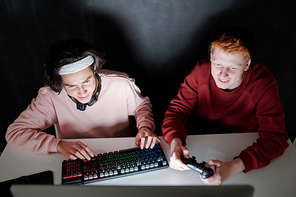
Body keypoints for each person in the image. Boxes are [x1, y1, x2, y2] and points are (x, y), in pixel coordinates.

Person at [162, 26, 289, 185]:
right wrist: (175, 143)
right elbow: (176, 111)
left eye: (232, 67)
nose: (222, 75)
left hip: (244, 143)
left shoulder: (263, 82)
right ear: (211, 58)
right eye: (218, 64)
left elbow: (276, 138)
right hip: (200, 139)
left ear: (247, 64)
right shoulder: (200, 72)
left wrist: (232, 167)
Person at [6, 38, 161, 161]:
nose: (81, 92)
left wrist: (145, 127)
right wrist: (57, 145)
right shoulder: (51, 96)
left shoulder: (121, 84)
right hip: (76, 156)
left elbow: (141, 107)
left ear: (94, 68)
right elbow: (15, 132)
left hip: (122, 151)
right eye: (71, 86)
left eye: (86, 81)